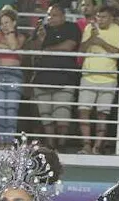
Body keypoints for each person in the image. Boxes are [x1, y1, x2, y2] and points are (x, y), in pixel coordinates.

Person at [29, 4, 81, 150]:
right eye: (49, 15)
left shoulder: (72, 27)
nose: (50, 18)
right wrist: (41, 39)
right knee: (46, 117)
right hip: (42, 79)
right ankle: (52, 145)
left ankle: (62, 145)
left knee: (62, 116)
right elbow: (32, 50)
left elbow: (69, 45)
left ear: (63, 16)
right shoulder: (42, 29)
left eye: (54, 15)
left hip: (64, 79)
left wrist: (47, 49)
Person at [78, 6, 119, 155]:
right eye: (98, 16)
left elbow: (117, 51)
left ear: (111, 18)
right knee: (83, 111)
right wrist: (91, 38)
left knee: (102, 114)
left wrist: (100, 41)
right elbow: (81, 50)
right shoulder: (90, 28)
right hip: (88, 76)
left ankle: (97, 147)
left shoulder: (116, 29)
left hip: (108, 77)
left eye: (104, 17)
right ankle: (86, 145)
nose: (100, 20)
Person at [0, 7, 26, 150]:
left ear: (14, 22)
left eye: (7, 22)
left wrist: (10, 35)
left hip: (14, 75)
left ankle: (9, 142)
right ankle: (1, 143)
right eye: (2, 23)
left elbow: (14, 45)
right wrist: (9, 46)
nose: (4, 26)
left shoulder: (21, 36)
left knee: (11, 109)